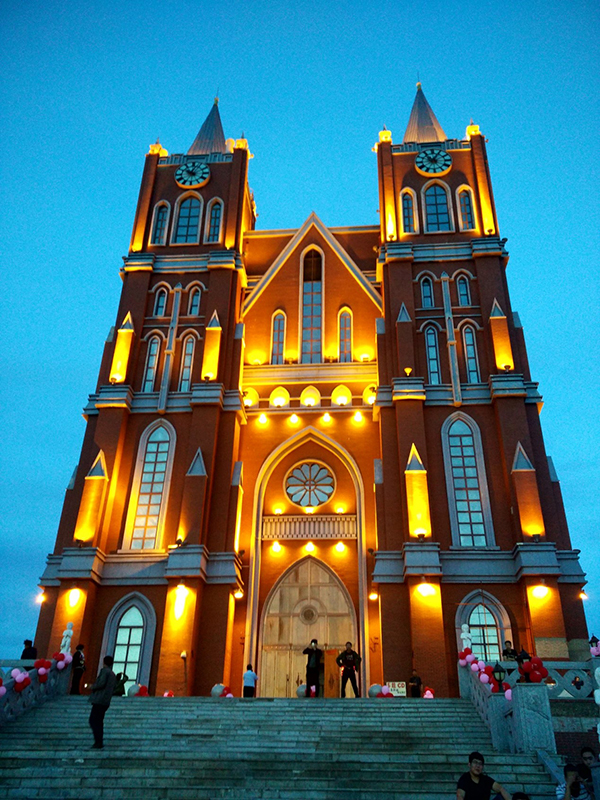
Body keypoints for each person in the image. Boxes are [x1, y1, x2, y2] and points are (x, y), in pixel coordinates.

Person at [88, 655, 117, 749]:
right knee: (99, 721)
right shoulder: (112, 674)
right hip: (105, 701)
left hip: (99, 700)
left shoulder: (104, 671)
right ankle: (99, 741)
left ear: (104, 662)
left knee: (93, 720)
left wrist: (92, 686)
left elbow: (101, 683)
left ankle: (98, 742)